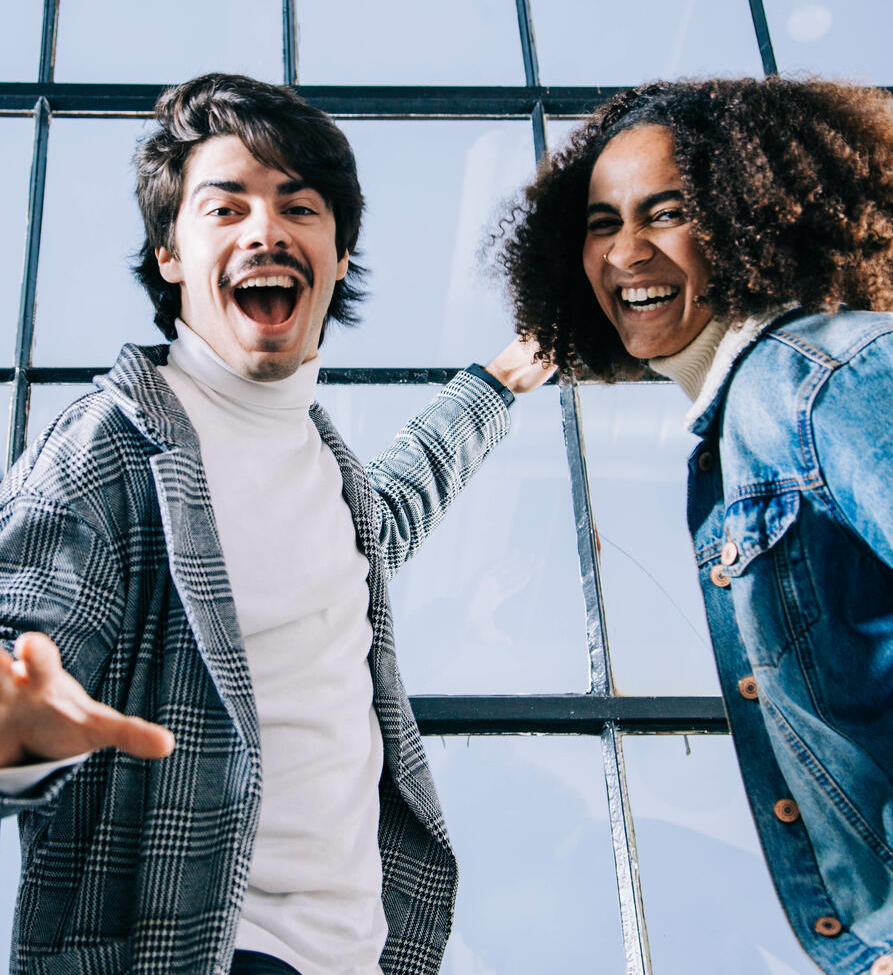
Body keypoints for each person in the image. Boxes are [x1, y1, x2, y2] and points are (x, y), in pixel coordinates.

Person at [0, 73, 549, 975]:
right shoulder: (112, 443)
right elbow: (25, 633)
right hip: (207, 947)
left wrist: (500, 383)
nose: (266, 229)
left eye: (299, 205)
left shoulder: (329, 474)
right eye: (225, 209)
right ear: (170, 255)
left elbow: (405, 491)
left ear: (336, 255)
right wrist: (15, 734)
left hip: (365, 952)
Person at [496, 77, 893, 975]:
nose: (626, 249)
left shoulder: (821, 372)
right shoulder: (735, 426)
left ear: (754, 216)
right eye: (601, 222)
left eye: (665, 212)